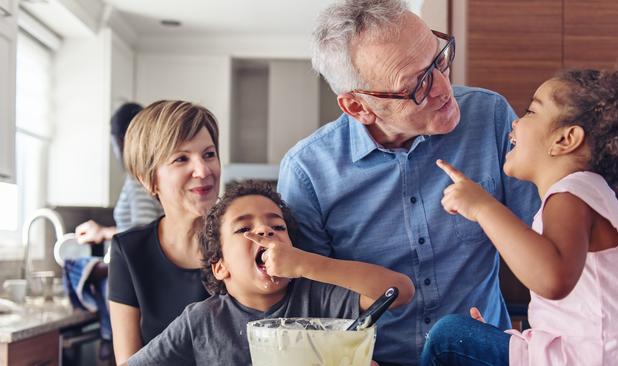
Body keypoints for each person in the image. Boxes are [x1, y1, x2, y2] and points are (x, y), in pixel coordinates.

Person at [276, 0, 539, 364]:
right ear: (357, 107)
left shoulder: (490, 116)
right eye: (416, 85)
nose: (444, 87)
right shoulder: (307, 174)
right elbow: (312, 300)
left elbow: (545, 242)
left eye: (439, 60)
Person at [422, 64, 618, 365]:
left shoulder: (571, 195)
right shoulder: (588, 195)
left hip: (601, 355)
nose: (515, 124)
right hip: (593, 351)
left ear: (565, 140)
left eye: (530, 112)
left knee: (448, 338)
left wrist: (482, 206)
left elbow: (552, 278)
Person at [125, 180, 415, 365]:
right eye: (243, 228)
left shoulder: (319, 299)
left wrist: (306, 264)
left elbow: (400, 290)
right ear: (220, 266)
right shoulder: (200, 321)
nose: (264, 230)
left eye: (278, 227)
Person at [108, 100, 221, 364]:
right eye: (182, 158)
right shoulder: (128, 251)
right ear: (148, 179)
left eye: (209, 154)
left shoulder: (242, 240)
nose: (203, 170)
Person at [75, 102, 163, 245]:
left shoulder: (138, 177)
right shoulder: (150, 173)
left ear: (121, 140)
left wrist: (103, 232)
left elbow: (143, 230)